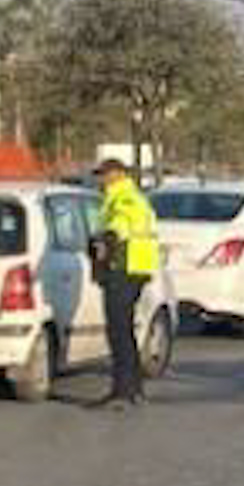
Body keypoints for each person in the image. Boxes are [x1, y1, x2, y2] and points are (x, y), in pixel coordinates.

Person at [88, 158, 159, 411]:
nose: (100, 179)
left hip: (124, 268)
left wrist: (105, 239)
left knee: (119, 332)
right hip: (132, 269)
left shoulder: (124, 198)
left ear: (117, 174)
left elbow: (120, 226)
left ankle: (123, 391)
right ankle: (133, 389)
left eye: (104, 174)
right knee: (123, 331)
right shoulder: (124, 196)